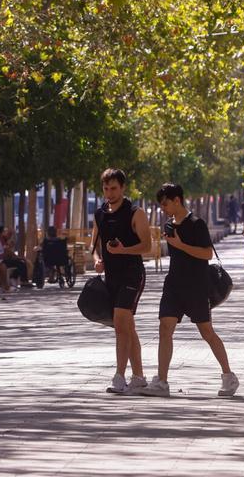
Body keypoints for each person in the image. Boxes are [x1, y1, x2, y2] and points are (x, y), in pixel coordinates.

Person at [140, 183, 238, 398]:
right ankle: (162, 381)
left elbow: (207, 255)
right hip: (173, 285)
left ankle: (229, 376)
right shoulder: (168, 226)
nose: (163, 208)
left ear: (177, 200)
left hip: (196, 286)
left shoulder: (197, 224)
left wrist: (181, 244)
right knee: (165, 328)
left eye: (166, 203)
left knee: (207, 333)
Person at [91, 168, 152, 395]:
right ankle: (139, 377)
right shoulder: (100, 214)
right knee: (127, 327)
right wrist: (99, 261)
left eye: (114, 188)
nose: (109, 193)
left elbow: (147, 246)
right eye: (106, 188)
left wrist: (124, 250)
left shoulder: (136, 213)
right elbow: (94, 247)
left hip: (132, 274)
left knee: (120, 324)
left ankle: (119, 376)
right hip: (111, 277)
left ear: (123, 188)